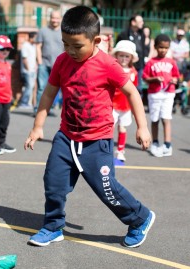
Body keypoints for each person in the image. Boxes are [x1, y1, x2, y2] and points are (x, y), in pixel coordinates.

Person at [24, 6, 155, 248]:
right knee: (53, 183)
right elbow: (48, 94)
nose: (70, 51)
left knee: (108, 191)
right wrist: (37, 127)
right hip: (66, 137)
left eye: (77, 46)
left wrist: (142, 126)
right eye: (65, 44)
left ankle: (140, 218)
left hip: (97, 140)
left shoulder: (108, 65)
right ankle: (53, 227)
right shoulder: (62, 62)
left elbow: (133, 93)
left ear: (96, 41)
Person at [143, 34, 180, 158]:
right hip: (154, 94)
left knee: (166, 118)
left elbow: (176, 76)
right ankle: (155, 142)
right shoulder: (151, 62)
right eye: (161, 47)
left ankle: (167, 145)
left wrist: (175, 80)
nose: (163, 50)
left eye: (166, 48)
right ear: (155, 47)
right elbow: (145, 77)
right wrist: (154, 79)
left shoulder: (171, 62)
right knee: (154, 119)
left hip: (168, 93)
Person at [112, 40, 139, 162]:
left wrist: (134, 110)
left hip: (126, 107)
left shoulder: (133, 72)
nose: (123, 58)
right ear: (116, 55)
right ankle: (105, 150)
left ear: (131, 57)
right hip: (112, 105)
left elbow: (134, 93)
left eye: (127, 56)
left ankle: (120, 151)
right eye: (121, 55)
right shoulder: (113, 69)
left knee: (122, 128)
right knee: (109, 129)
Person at [34, 10, 63, 116]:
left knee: (59, 89)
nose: (54, 20)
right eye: (53, 18)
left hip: (60, 65)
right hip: (45, 63)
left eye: (57, 18)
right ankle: (38, 109)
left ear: (60, 19)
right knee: (42, 87)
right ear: (49, 18)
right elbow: (38, 46)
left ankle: (49, 110)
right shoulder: (43, 31)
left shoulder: (63, 31)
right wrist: (40, 61)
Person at [116, 14, 145, 95]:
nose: (142, 23)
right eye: (140, 21)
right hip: (125, 66)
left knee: (138, 88)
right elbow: (118, 50)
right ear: (133, 22)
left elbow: (142, 49)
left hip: (138, 66)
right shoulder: (124, 34)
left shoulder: (141, 34)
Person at [18, 32, 37, 108]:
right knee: (28, 86)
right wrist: (28, 69)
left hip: (33, 70)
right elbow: (24, 58)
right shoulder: (25, 46)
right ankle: (23, 103)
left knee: (31, 87)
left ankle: (27, 102)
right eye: (35, 37)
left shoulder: (34, 46)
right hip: (27, 71)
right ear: (31, 38)